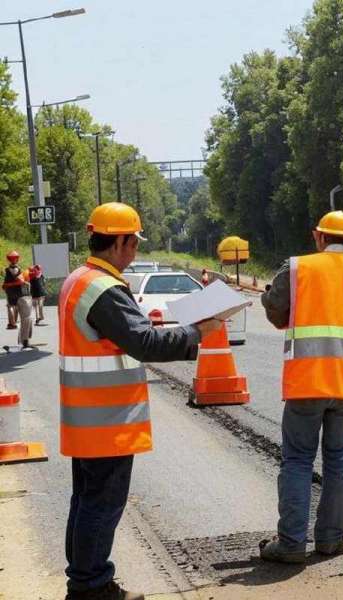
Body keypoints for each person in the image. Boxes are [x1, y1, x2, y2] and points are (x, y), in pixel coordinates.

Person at [59, 203, 222, 600]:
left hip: (87, 418)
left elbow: (128, 337)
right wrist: (198, 332)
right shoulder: (104, 289)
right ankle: (91, 588)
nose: (133, 250)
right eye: (132, 242)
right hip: (106, 420)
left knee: (87, 502)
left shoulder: (80, 279)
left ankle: (85, 580)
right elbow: (144, 342)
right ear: (118, 242)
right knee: (102, 504)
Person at [259, 210, 343, 563]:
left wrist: (271, 305)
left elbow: (276, 311)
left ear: (318, 237)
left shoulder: (297, 268)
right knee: (340, 462)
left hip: (307, 381)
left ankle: (290, 543)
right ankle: (331, 539)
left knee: (297, 460)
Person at [3, 251, 24, 330]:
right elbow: (21, 279)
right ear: (17, 259)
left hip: (10, 290)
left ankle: (12, 324)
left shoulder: (7, 269)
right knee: (16, 306)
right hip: (18, 290)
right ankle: (14, 322)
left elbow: (6, 280)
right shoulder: (19, 269)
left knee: (10, 306)